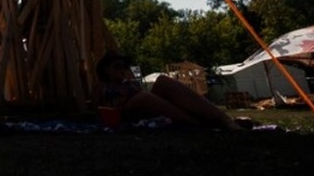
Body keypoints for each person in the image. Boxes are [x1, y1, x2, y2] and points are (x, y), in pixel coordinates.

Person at [92, 50, 248, 131]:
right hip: (126, 113)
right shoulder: (102, 86)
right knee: (142, 98)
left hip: (145, 108)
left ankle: (223, 118)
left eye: (125, 66)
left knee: (163, 80)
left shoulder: (130, 83)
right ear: (106, 70)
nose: (122, 70)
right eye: (117, 67)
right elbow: (99, 108)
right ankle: (207, 124)